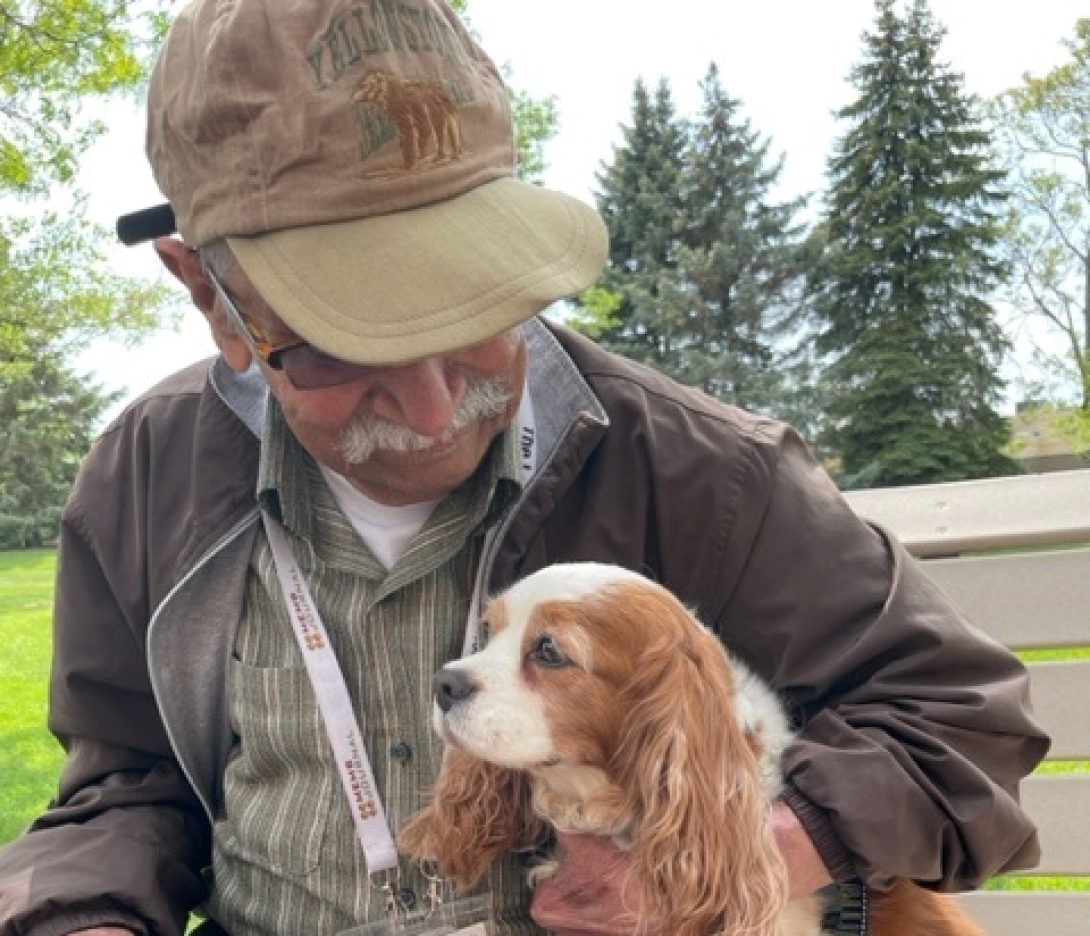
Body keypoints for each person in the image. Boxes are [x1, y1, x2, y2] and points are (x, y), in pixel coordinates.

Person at [0, 1, 1048, 934]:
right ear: (208, 296)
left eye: (477, 318)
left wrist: (728, 858)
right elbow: (127, 784)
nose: (431, 408)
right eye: (341, 344)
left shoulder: (704, 476)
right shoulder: (147, 475)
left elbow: (960, 720)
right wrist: (81, 915)